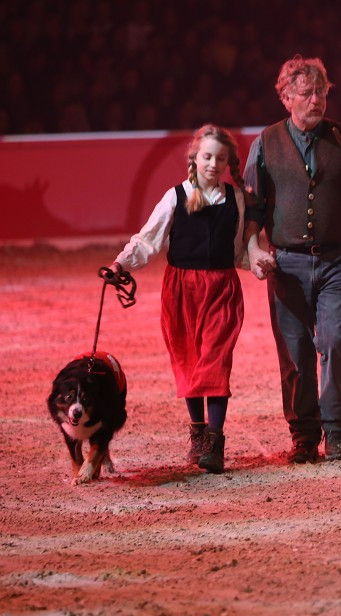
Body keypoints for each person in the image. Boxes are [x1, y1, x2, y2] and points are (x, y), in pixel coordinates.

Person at [244, 55, 341, 464]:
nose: (316, 100)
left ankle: (336, 430)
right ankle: (304, 435)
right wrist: (254, 249)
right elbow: (251, 207)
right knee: (295, 354)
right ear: (286, 98)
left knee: (336, 340)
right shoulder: (265, 143)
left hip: (338, 261)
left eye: (321, 92)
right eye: (307, 93)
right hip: (286, 265)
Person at [110, 123, 268, 474]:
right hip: (180, 290)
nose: (214, 164)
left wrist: (257, 263)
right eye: (207, 156)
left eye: (221, 158)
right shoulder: (175, 196)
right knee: (189, 361)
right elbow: (148, 240)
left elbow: (240, 248)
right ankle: (198, 433)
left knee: (215, 361)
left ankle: (215, 440)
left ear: (228, 162)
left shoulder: (236, 199)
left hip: (222, 290)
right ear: (194, 158)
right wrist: (121, 263)